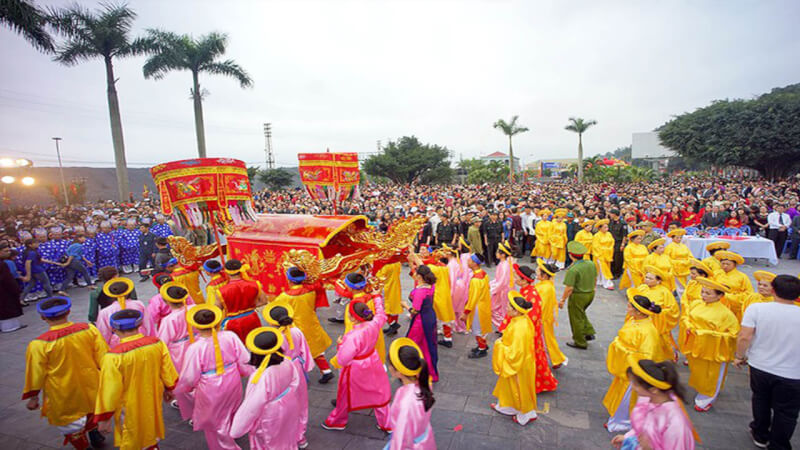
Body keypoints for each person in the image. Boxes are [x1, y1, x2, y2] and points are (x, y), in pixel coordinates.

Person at [22, 296, 108, 449]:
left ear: (43, 317)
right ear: (68, 311)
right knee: (93, 410)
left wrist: (33, 396)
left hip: (63, 391)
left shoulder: (39, 344)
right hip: (92, 382)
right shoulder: (88, 329)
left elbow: (35, 373)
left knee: (71, 423)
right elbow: (103, 356)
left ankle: (83, 445)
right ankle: (95, 435)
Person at [93, 309, 179, 450]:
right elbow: (167, 370)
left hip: (128, 401)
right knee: (151, 421)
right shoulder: (156, 343)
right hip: (152, 394)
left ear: (114, 329)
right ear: (139, 325)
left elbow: (109, 390)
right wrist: (169, 388)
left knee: (131, 431)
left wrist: (105, 417)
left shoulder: (112, 357)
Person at [734, 275, 800, 450]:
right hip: (793, 372)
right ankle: (779, 445)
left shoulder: (757, 309)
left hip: (760, 365)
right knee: (786, 412)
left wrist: (739, 356)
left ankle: (760, 433)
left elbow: (744, 336)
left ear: (772, 290)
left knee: (761, 399)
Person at [177, 304, 253, 450]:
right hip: (232, 377)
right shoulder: (230, 336)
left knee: (216, 419)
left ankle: (226, 445)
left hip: (210, 385)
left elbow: (190, 376)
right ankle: (233, 431)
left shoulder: (195, 348)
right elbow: (244, 358)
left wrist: (186, 387)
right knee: (231, 406)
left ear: (196, 326)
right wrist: (244, 372)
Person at [323, 291, 392, 432]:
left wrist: (339, 345)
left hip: (356, 367)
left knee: (345, 393)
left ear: (353, 319)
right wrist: (377, 297)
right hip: (373, 360)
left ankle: (338, 420)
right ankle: (387, 422)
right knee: (379, 391)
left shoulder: (353, 335)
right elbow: (381, 314)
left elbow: (343, 359)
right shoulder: (374, 323)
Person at [230, 326, 306, 449]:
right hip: (290, 404)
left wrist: (237, 429)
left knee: (270, 441)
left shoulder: (261, 376)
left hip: (271, 413)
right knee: (287, 433)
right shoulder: (287, 362)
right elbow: (294, 383)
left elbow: (252, 405)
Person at [603, 291, 662, 432]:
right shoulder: (633, 320)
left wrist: (623, 350)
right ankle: (617, 417)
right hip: (624, 365)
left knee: (627, 397)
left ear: (639, 312)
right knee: (621, 393)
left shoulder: (648, 331)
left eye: (630, 307)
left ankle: (622, 421)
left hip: (634, 369)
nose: (627, 308)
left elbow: (646, 356)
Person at [680, 277, 739, 412]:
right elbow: (686, 316)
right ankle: (702, 388)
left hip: (714, 349)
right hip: (697, 345)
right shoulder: (697, 303)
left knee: (712, 373)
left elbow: (733, 334)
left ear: (720, 296)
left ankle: (707, 397)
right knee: (699, 370)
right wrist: (688, 325)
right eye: (703, 292)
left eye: (708, 293)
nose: (703, 296)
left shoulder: (726, 314)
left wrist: (708, 334)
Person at [611, 358, 698, 450]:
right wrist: (628, 437)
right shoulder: (647, 400)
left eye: (635, 384)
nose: (632, 387)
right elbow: (644, 427)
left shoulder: (676, 424)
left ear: (654, 390)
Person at [261, 302, 313, 446]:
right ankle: (300, 436)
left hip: (280, 372)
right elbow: (305, 351)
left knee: (282, 403)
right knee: (301, 403)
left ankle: (284, 438)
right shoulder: (297, 331)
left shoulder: (272, 337)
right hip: (296, 367)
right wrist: (306, 367)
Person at [273, 267, 335, 383]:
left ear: (289, 280)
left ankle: (299, 374)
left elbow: (275, 310)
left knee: (296, 352)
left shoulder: (285, 296)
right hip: (311, 323)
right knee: (316, 350)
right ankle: (326, 371)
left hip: (294, 328)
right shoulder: (311, 292)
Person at [491, 293, 539, 425]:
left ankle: (527, 414)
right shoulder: (521, 320)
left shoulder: (520, 327)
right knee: (509, 385)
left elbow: (516, 353)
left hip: (519, 364)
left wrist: (499, 345)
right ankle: (507, 406)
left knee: (520, 388)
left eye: (509, 307)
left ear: (516, 311)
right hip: (521, 361)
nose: (506, 308)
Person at [385, 337, 436, 449]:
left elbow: (402, 437)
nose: (389, 367)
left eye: (390, 365)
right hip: (423, 438)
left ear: (398, 372)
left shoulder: (406, 402)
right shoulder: (425, 382)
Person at [155, 282, 194, 420]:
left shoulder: (168, 320)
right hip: (197, 342)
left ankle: (194, 408)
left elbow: (162, 341)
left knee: (183, 378)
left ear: (166, 302)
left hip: (179, 350)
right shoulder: (194, 309)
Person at [402, 265, 439, 381]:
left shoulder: (420, 292)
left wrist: (405, 306)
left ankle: (411, 370)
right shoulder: (430, 286)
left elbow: (415, 310)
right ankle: (430, 372)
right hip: (430, 316)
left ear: (420, 276)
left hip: (420, 320)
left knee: (412, 344)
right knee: (428, 344)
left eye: (416, 273)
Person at [217, 258, 267, 342]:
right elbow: (264, 301)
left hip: (233, 322)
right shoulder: (254, 284)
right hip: (252, 318)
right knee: (255, 342)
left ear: (226, 272)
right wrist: (250, 306)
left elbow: (217, 310)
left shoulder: (221, 291)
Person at [559, 241, 597, 349]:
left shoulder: (573, 270)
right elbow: (594, 278)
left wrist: (562, 300)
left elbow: (569, 288)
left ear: (570, 254)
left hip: (578, 296)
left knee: (576, 318)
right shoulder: (590, 263)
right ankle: (588, 331)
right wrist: (593, 289)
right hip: (590, 293)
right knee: (581, 313)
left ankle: (580, 341)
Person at [637, 265, 680, 362]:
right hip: (643, 320)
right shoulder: (642, 288)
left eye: (650, 278)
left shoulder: (664, 292)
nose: (646, 280)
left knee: (661, 341)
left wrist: (659, 312)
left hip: (658, 323)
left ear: (659, 281)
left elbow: (673, 310)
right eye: (646, 277)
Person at [95, 277, 153, 346]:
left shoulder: (104, 312)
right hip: (140, 338)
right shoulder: (138, 304)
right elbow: (148, 324)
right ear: (128, 292)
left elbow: (104, 333)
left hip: (118, 343)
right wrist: (151, 339)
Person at [531, 261, 567, 369]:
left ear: (545, 275)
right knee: (548, 339)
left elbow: (542, 305)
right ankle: (557, 359)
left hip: (543, 318)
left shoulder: (545, 288)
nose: (536, 274)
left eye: (538, 272)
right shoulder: (545, 285)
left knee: (547, 340)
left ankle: (557, 359)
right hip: (544, 318)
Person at [461, 254, 492, 358]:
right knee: (481, 328)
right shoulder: (484, 274)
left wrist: (466, 312)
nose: (468, 261)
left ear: (474, 263)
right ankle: (481, 345)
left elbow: (473, 298)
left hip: (477, 307)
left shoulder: (475, 280)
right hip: (484, 304)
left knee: (477, 329)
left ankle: (482, 349)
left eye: (469, 260)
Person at [713, 250, 752, 322]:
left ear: (735, 265)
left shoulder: (742, 277)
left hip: (734, 306)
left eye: (728, 264)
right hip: (716, 304)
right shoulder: (716, 273)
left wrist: (730, 297)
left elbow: (749, 294)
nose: (725, 266)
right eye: (723, 263)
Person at [375, 253, 403, 335]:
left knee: (384, 307)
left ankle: (392, 324)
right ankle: (393, 327)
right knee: (394, 307)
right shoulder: (397, 263)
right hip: (396, 286)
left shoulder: (384, 266)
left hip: (386, 288)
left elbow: (379, 277)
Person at [20, 239, 56, 303]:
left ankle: (21, 299)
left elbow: (40, 259)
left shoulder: (27, 251)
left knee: (31, 284)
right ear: (30, 245)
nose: (37, 244)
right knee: (46, 283)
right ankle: (50, 297)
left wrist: (53, 262)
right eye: (35, 243)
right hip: (37, 270)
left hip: (32, 270)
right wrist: (28, 274)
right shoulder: (32, 253)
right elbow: (28, 263)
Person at [0, 241, 24, 332]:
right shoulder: (2, 264)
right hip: (5, 291)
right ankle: (10, 327)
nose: (8, 253)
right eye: (5, 251)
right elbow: (7, 279)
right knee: (7, 309)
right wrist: (16, 289)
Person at [490, 241, 514, 329]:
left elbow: (502, 282)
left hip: (502, 291)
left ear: (503, 255)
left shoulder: (504, 265)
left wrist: (492, 289)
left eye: (498, 252)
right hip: (501, 290)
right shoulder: (502, 264)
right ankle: (502, 326)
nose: (496, 253)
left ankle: (503, 327)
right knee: (499, 309)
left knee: (496, 309)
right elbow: (498, 279)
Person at [665, 229, 691, 293]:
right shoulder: (669, 247)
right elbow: (666, 258)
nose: (679, 239)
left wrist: (688, 261)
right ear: (672, 238)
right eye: (677, 238)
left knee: (686, 283)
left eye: (680, 238)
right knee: (678, 285)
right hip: (676, 267)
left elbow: (690, 255)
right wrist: (677, 263)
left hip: (685, 267)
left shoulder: (684, 246)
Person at [592, 219, 615, 290]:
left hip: (608, 253)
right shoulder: (597, 235)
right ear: (600, 228)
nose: (607, 228)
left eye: (607, 227)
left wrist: (609, 249)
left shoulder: (609, 234)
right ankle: (608, 283)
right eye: (605, 227)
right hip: (600, 254)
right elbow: (595, 246)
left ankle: (600, 281)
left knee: (605, 267)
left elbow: (612, 242)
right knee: (604, 269)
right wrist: (601, 253)